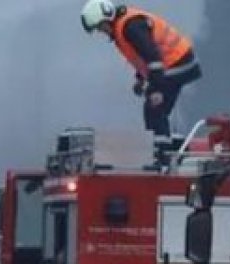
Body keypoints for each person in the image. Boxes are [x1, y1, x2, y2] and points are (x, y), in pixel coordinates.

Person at [80, 1, 202, 152]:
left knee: (155, 108)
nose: (101, 31)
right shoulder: (124, 26)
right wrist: (141, 79)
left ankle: (163, 155)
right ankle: (167, 148)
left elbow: (152, 56)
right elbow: (142, 57)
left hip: (179, 63)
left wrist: (156, 89)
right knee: (154, 109)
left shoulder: (130, 27)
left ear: (107, 18)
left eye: (100, 26)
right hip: (173, 64)